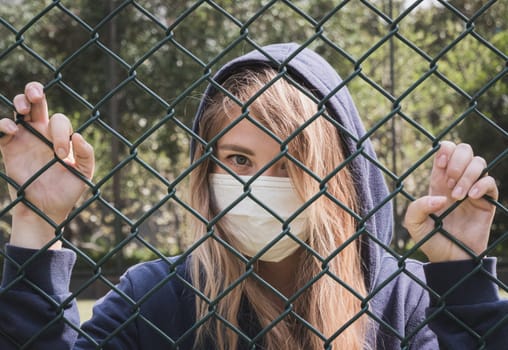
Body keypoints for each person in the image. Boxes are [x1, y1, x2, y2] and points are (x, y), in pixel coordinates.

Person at [0, 43, 506, 349]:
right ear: (207, 167)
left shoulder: (404, 300)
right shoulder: (154, 299)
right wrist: (36, 221)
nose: (257, 187)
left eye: (290, 165)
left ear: (341, 180)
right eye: (239, 160)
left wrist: (460, 274)